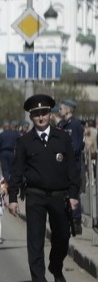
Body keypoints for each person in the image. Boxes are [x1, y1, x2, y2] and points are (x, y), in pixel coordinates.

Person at [7, 94, 79, 282]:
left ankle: (55, 267)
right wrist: (13, 198)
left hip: (60, 196)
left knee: (62, 237)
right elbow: (17, 171)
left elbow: (72, 170)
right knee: (35, 240)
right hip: (35, 196)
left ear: (50, 114)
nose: (41, 117)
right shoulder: (25, 141)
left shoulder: (62, 137)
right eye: (36, 114)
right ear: (31, 117)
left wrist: (73, 194)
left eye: (44, 113)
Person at [56, 98, 84, 235]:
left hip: (73, 165)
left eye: (61, 108)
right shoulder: (64, 124)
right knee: (65, 193)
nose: (59, 110)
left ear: (68, 109)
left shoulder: (75, 125)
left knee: (73, 192)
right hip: (63, 165)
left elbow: (75, 147)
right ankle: (68, 220)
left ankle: (76, 221)